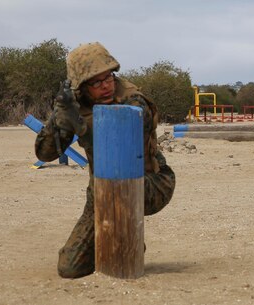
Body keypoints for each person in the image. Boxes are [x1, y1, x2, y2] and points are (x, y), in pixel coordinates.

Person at [35, 42, 176, 278]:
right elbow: (44, 153)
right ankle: (121, 237)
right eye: (97, 82)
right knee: (70, 268)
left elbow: (119, 148)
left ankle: (126, 238)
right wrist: (61, 118)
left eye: (109, 77)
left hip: (148, 183)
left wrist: (80, 127)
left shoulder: (132, 101)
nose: (106, 86)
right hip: (101, 190)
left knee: (119, 222)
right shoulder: (74, 103)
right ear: (81, 86)